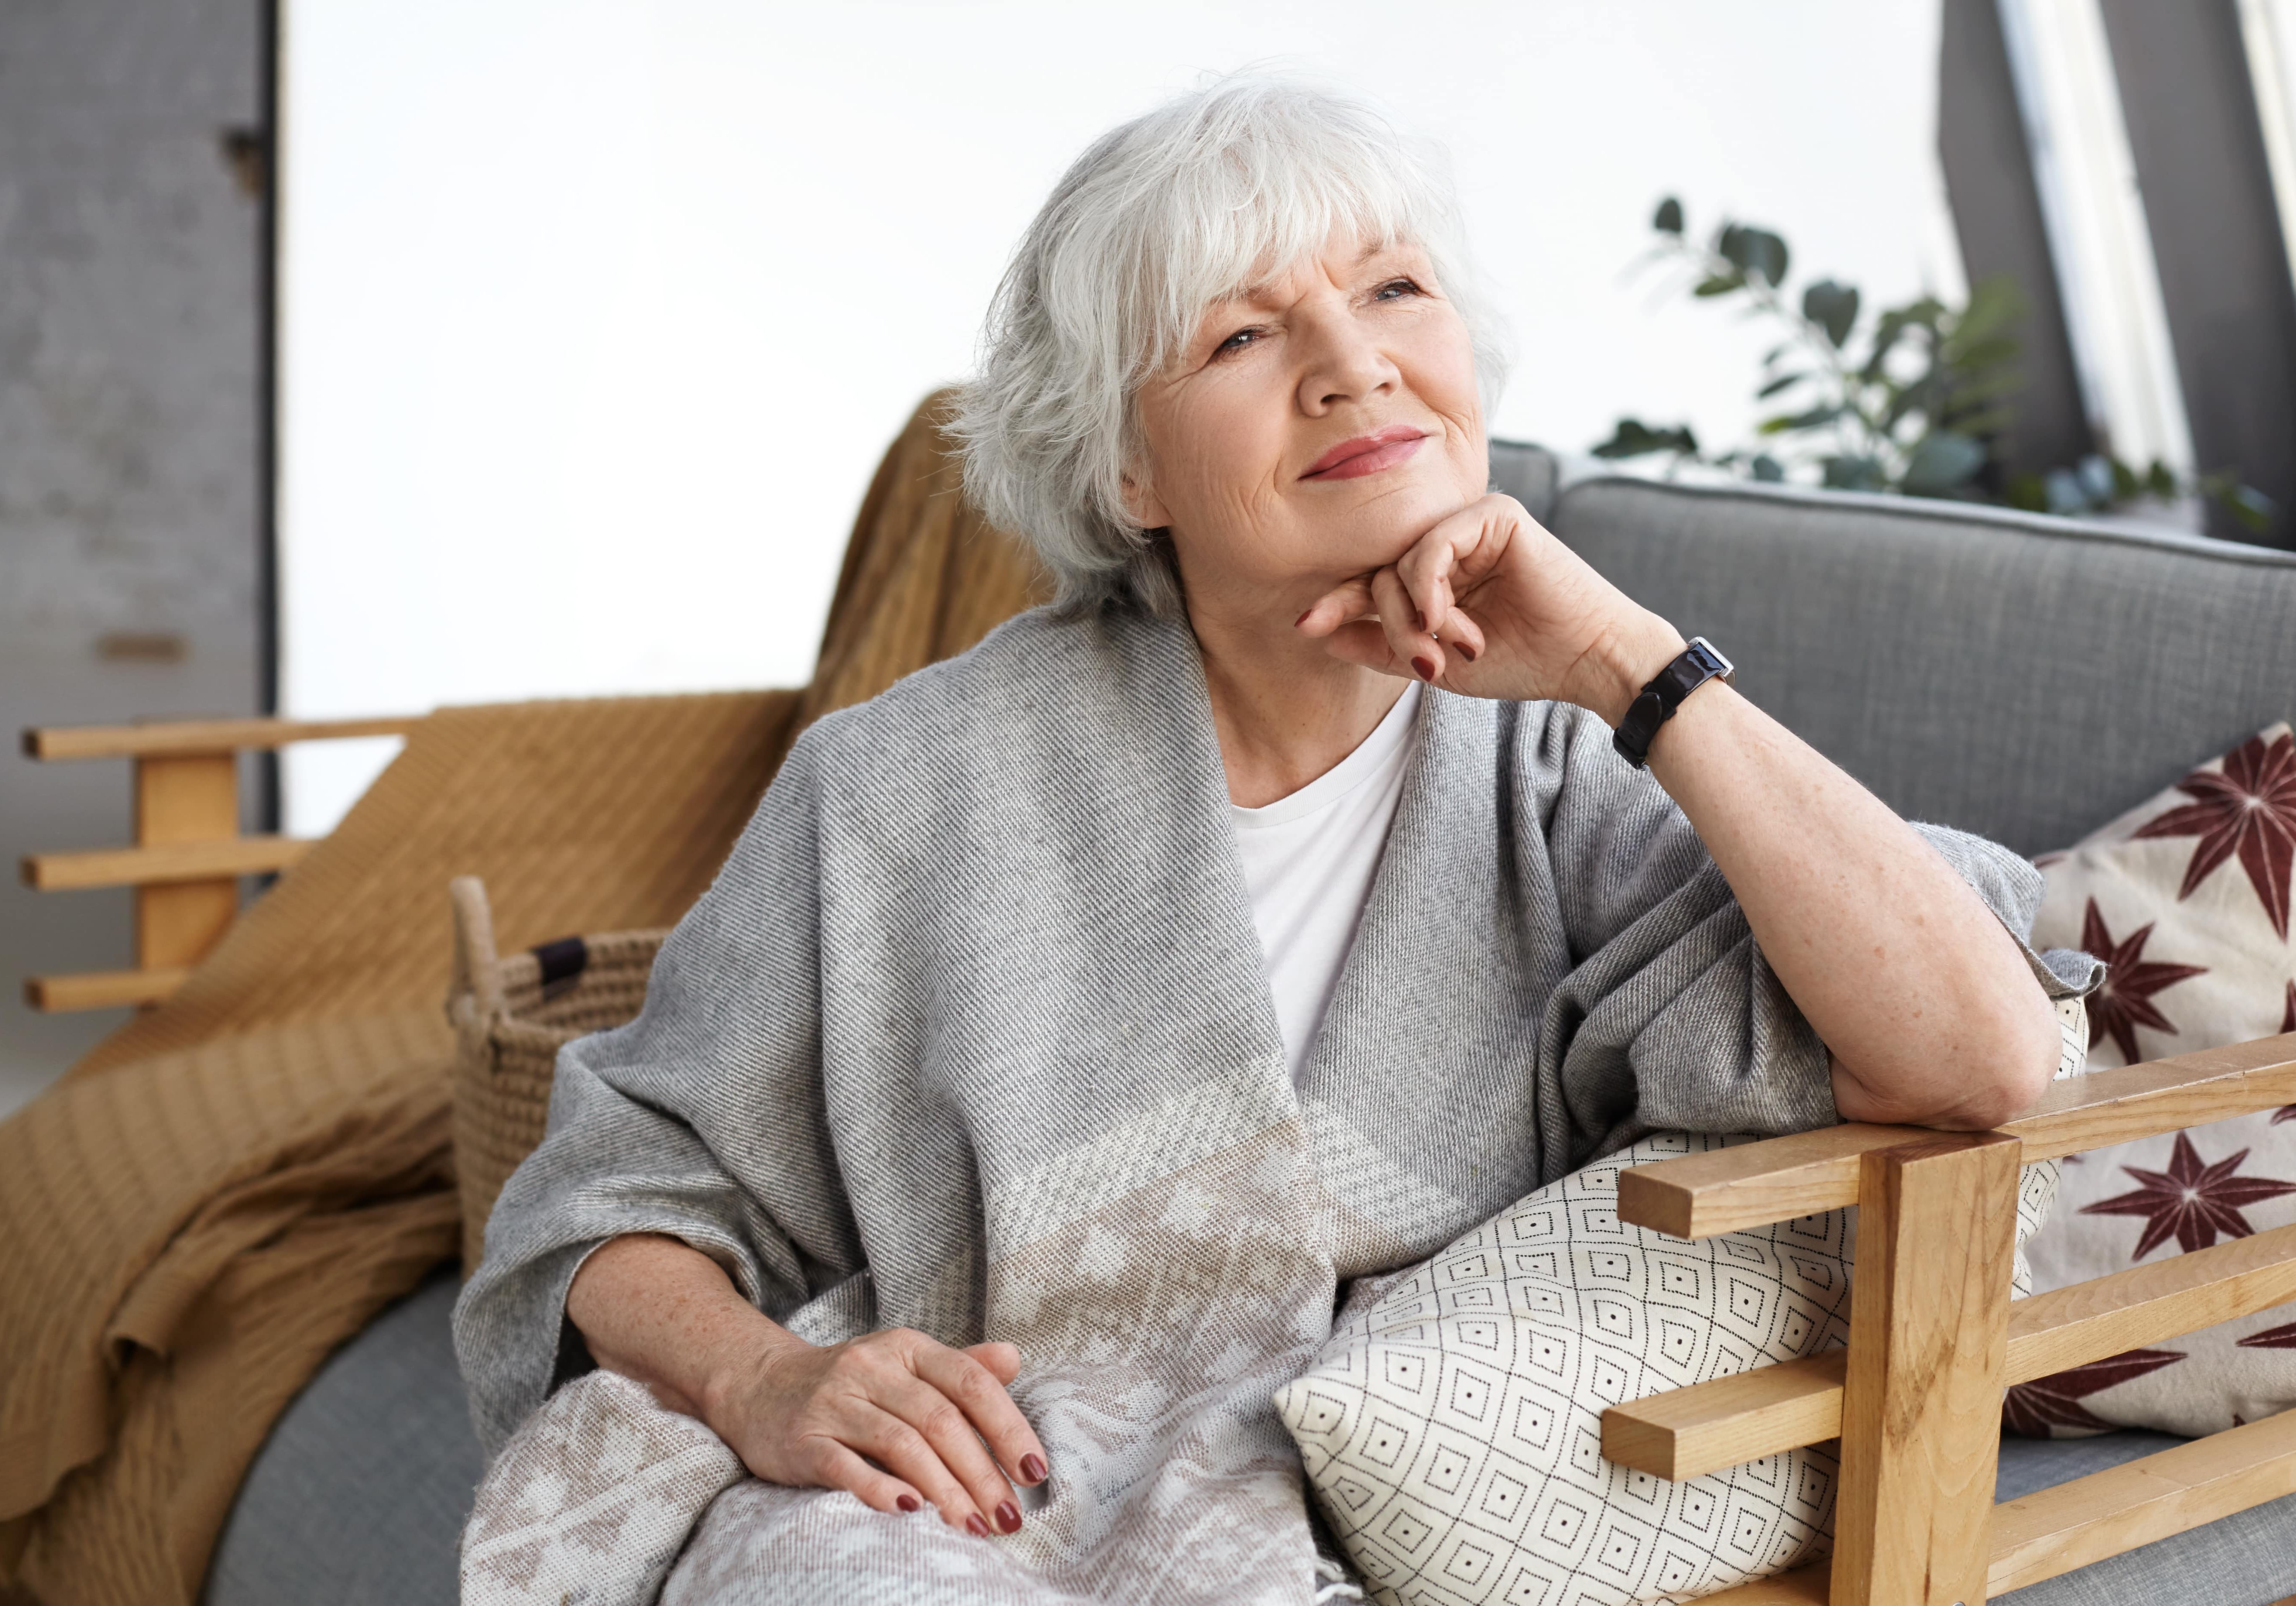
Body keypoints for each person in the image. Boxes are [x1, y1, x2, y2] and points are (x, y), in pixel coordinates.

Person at [455, 73, 2094, 1604]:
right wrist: (764, 1378)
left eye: (1392, 291)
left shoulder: (1560, 762)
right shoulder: (901, 787)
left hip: (1381, 1469)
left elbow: (1978, 1059)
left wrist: (1625, 663)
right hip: (972, 1476)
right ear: (1126, 468)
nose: (1351, 362)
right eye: (1242, 333)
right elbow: (608, 1193)